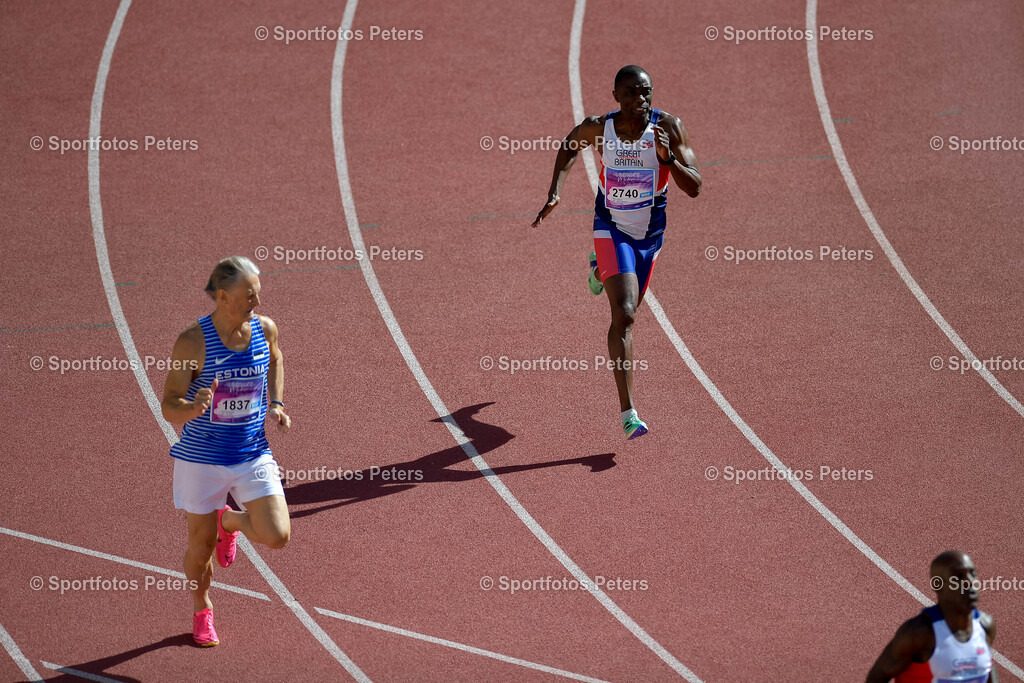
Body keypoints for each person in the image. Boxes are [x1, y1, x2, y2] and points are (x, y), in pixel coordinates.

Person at [532, 64, 701, 439]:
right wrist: (555, 191)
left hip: (650, 236)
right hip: (610, 227)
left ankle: (598, 273)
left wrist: (668, 158)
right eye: (631, 94)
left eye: (646, 92)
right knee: (624, 314)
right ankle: (629, 413)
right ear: (616, 97)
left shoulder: (669, 128)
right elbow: (569, 144)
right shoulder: (601, 127)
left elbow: (696, 187)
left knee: (629, 306)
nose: (640, 100)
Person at [161, 256, 292, 646]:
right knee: (199, 550)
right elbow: (169, 403)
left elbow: (277, 359)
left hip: (252, 452)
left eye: (258, 293)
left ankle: (229, 523)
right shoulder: (193, 342)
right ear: (222, 296)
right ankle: (202, 607)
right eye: (249, 294)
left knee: (278, 534)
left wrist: (277, 404)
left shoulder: (264, 329)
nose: (256, 301)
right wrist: (193, 407)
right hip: (202, 460)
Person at [866, 550, 997, 682]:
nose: (970, 582)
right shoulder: (920, 634)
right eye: (958, 577)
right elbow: (877, 676)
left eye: (973, 573)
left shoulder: (985, 626)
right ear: (937, 584)